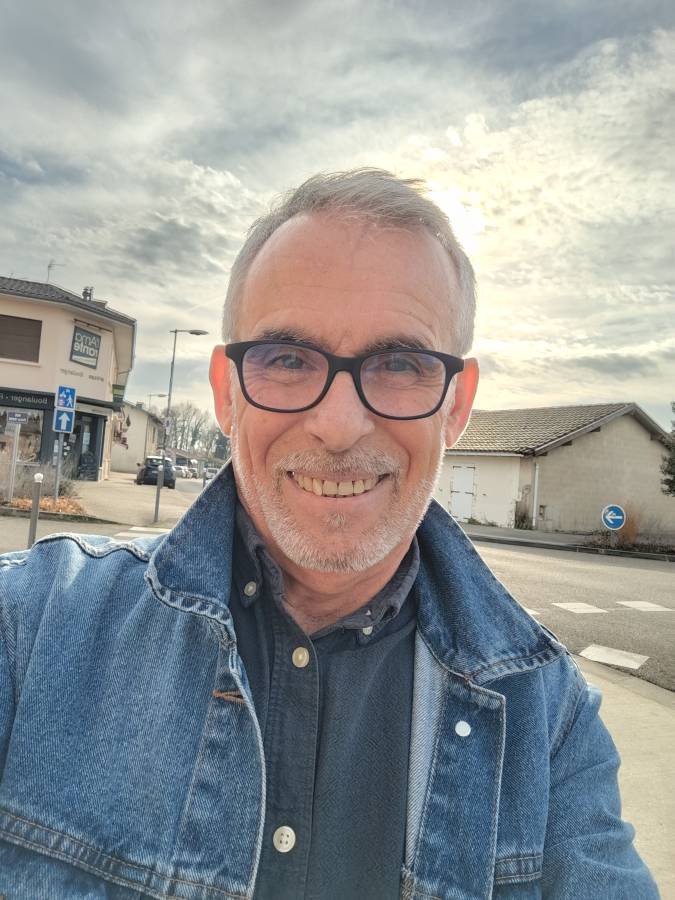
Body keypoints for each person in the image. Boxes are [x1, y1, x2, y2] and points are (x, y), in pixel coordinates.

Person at [0, 169, 658, 899]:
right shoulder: (30, 629)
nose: (340, 425)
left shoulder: (548, 719)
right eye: (287, 359)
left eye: (400, 363)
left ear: (455, 406)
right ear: (226, 393)